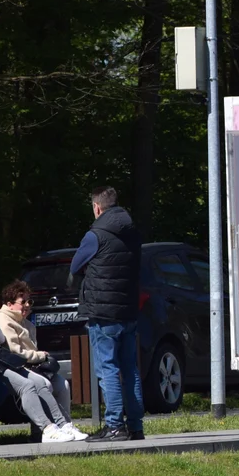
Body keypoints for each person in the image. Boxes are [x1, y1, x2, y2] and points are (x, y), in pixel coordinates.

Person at [0, 285, 86, 442]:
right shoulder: (3, 320)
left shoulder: (26, 323)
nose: (28, 305)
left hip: (29, 366)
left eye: (30, 301)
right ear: (9, 304)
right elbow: (14, 352)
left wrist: (38, 358)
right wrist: (39, 356)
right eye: (23, 302)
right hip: (11, 368)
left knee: (63, 384)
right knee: (43, 384)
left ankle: (66, 425)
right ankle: (44, 431)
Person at [70, 186, 145, 442]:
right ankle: (135, 426)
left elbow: (76, 265)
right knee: (130, 369)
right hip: (128, 310)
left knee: (108, 369)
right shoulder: (133, 234)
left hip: (103, 313)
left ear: (97, 207)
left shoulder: (96, 234)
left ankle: (114, 425)